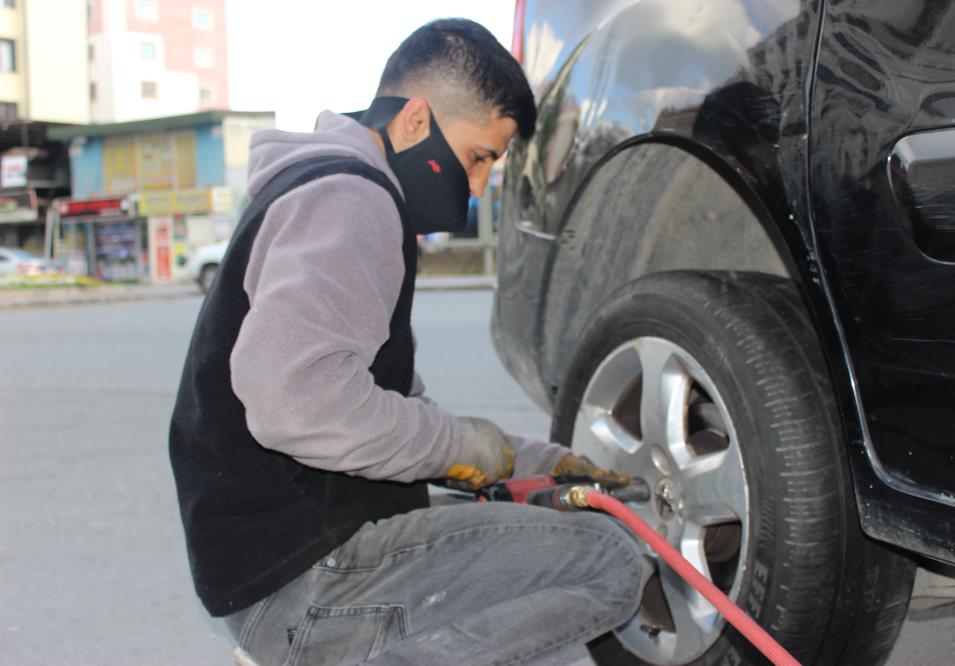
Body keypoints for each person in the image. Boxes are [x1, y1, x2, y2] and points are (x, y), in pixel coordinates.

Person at [169, 19, 645, 665]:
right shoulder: (351, 198)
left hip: (276, 570)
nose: (476, 187)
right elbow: (298, 404)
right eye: (479, 157)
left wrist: (532, 461)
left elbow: (391, 408)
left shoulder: (320, 189)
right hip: (306, 583)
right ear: (416, 121)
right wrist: (462, 447)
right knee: (606, 561)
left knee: (538, 539)